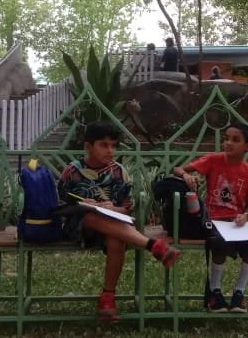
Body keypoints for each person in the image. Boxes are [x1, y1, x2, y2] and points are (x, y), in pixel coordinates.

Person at [58, 121, 182, 321]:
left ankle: (108, 297)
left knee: (116, 239)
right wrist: (84, 204)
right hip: (80, 227)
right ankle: (153, 246)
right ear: (89, 146)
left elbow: (127, 206)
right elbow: (62, 202)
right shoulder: (72, 171)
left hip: (113, 227)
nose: (110, 151)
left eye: (114, 146)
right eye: (104, 145)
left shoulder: (118, 172)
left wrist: (112, 208)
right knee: (90, 215)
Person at [173, 123, 248, 313]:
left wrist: (245, 215)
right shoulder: (213, 161)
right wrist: (186, 175)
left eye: (235, 140)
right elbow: (178, 169)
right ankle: (215, 291)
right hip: (212, 219)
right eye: (226, 138)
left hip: (236, 222)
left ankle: (239, 292)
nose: (228, 143)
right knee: (218, 242)